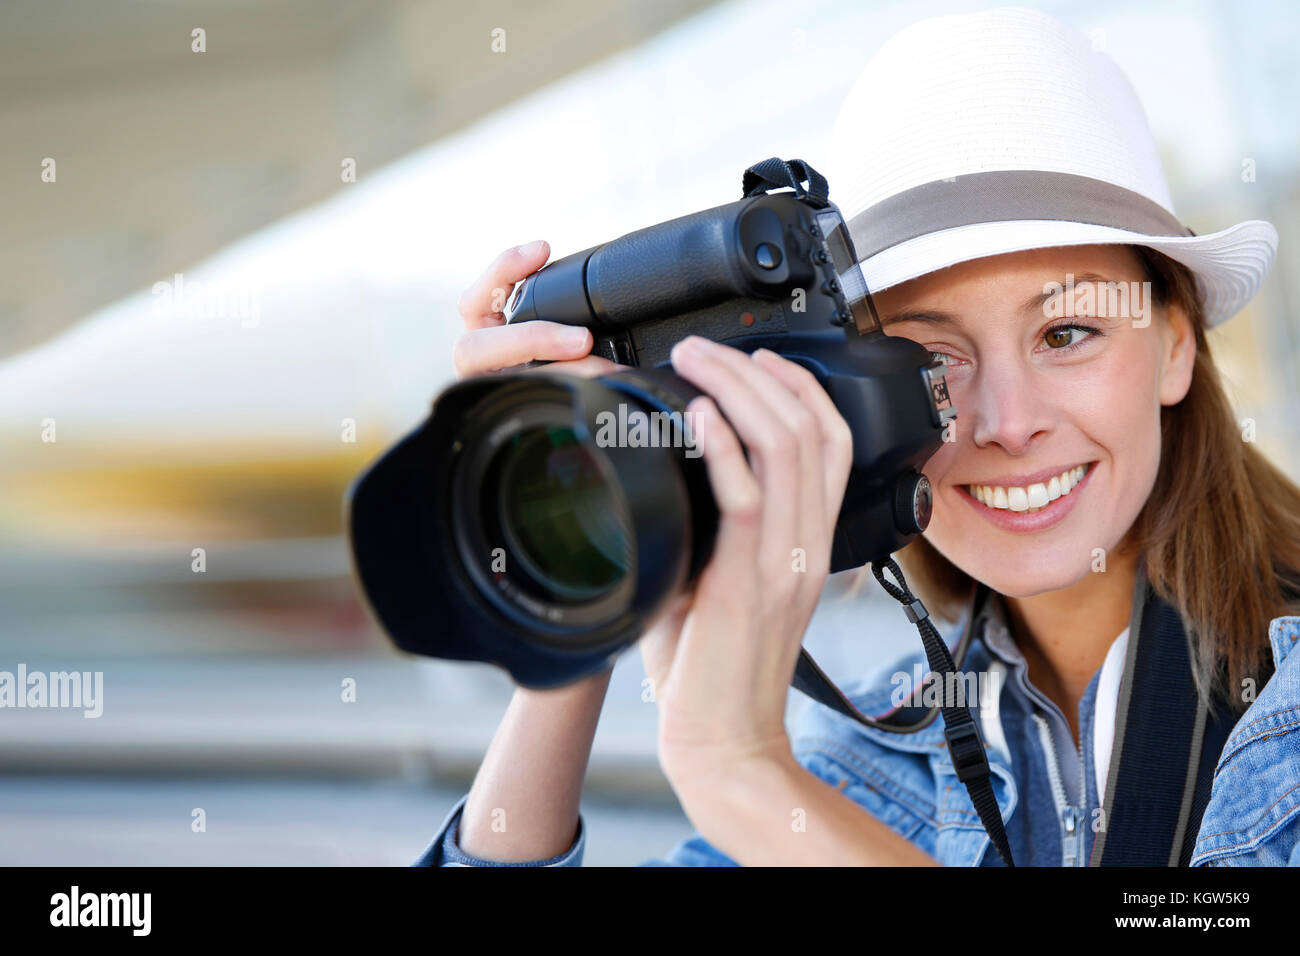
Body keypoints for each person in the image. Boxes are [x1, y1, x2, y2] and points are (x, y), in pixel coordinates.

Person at [415, 7, 1300, 866]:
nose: (1006, 422)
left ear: (1176, 347)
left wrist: (745, 774)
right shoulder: (874, 762)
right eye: (930, 357)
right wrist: (578, 567)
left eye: (1067, 334)